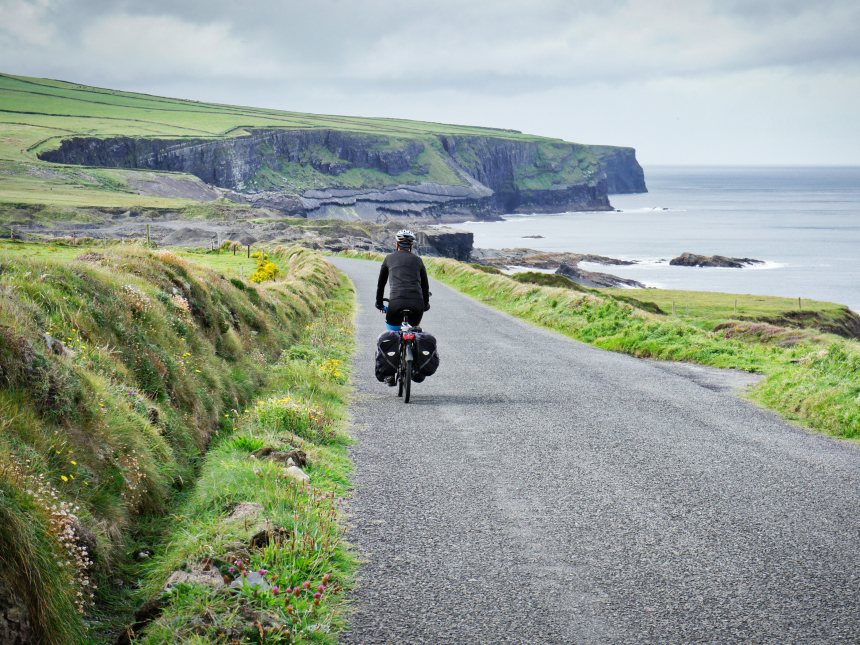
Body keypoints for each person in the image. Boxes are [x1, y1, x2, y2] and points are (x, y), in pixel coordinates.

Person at [375, 229, 430, 331]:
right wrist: (426, 304)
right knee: (413, 331)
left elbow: (381, 285)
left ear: (397, 244)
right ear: (411, 245)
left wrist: (379, 303)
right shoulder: (418, 260)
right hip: (417, 304)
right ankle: (414, 345)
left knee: (392, 331)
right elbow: (425, 286)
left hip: (396, 303)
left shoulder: (388, 258)